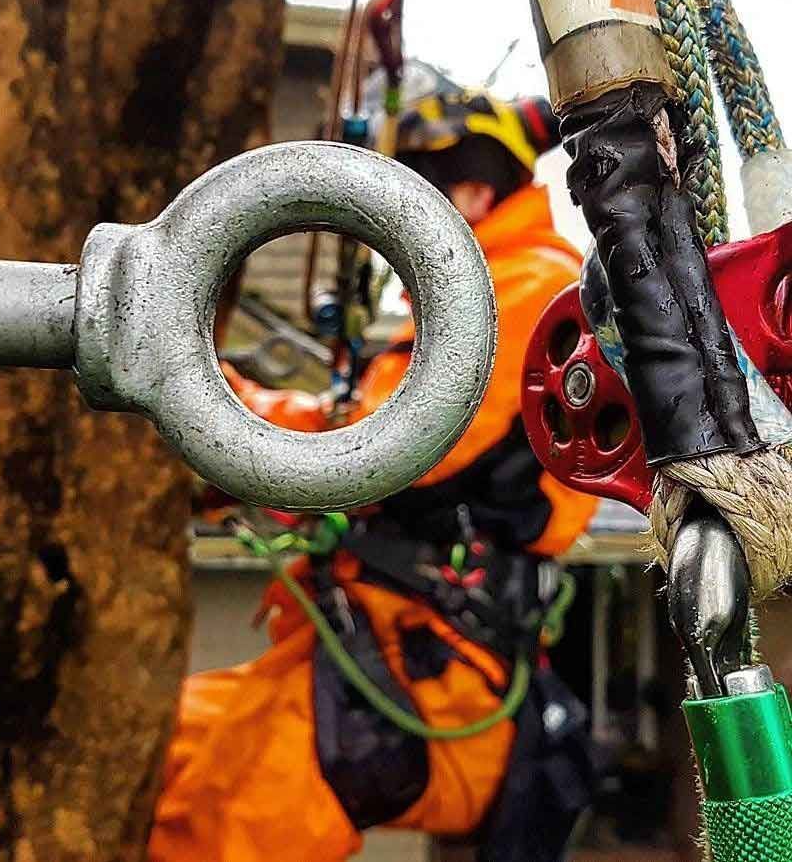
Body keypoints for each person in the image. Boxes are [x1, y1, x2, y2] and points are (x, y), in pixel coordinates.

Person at [148, 87, 599, 862]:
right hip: (368, 638)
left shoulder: (518, 288)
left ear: (471, 191)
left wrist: (217, 405)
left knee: (220, 825)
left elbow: (375, 446)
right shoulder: (479, 287)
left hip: (431, 666)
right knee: (157, 750)